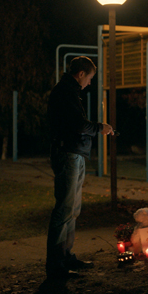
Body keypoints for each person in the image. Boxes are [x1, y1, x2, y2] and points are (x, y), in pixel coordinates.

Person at [46, 56, 113, 279]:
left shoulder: (69, 91)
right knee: (65, 209)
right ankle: (56, 263)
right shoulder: (65, 92)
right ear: (81, 73)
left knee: (72, 209)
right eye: (90, 78)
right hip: (68, 154)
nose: (90, 83)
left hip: (74, 154)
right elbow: (76, 124)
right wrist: (99, 127)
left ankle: (65, 255)